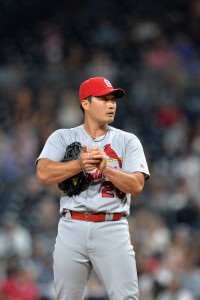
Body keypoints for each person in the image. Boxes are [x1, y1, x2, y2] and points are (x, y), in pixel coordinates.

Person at [36, 77, 150, 300]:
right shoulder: (63, 136)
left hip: (112, 227)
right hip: (71, 226)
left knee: (127, 298)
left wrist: (106, 168)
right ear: (85, 104)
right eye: (104, 99)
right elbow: (43, 173)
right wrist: (80, 164)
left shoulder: (127, 140)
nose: (111, 104)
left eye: (113, 100)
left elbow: (136, 186)